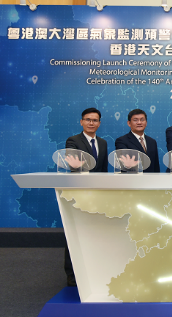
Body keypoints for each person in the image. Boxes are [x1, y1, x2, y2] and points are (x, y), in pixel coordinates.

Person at [64, 107, 108, 286]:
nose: (91, 123)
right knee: (74, 231)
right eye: (88, 120)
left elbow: (104, 171)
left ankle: (93, 269)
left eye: (95, 120)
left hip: (98, 194)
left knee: (95, 231)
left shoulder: (103, 143)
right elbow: (75, 166)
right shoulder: (73, 141)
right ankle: (72, 274)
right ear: (81, 122)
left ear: (99, 122)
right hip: (79, 193)